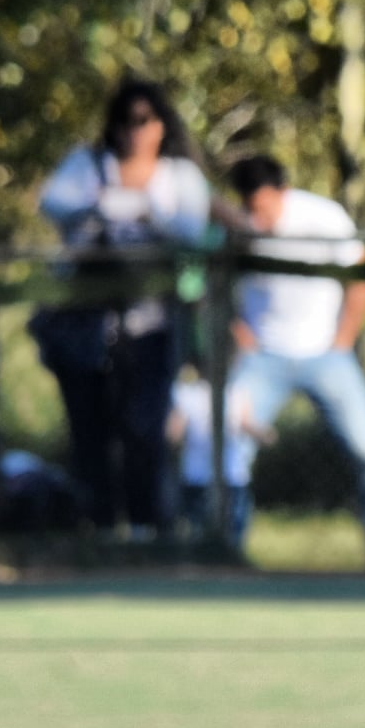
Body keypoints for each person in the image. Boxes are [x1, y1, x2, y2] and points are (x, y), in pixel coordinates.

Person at [37, 78, 211, 535]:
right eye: (125, 121)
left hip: (153, 323)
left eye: (145, 120)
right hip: (86, 325)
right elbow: (52, 204)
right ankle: (97, 528)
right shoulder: (89, 166)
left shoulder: (179, 175)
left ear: (161, 125)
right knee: (90, 430)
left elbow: (193, 233)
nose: (135, 131)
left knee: (145, 428)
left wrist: (150, 213)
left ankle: (148, 528)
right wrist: (101, 207)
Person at [227, 155, 365, 576]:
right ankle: (225, 551)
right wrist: (238, 331)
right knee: (228, 449)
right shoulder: (235, 227)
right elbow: (207, 288)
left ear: (284, 193)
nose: (260, 218)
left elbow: (361, 277)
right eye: (251, 209)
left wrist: (342, 341)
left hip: (326, 355)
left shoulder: (323, 218)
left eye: (266, 208)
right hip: (262, 358)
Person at [167, 362, 260, 548]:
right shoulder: (189, 394)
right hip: (206, 477)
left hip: (226, 475)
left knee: (208, 526)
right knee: (222, 527)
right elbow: (174, 433)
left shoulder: (236, 393)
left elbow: (173, 434)